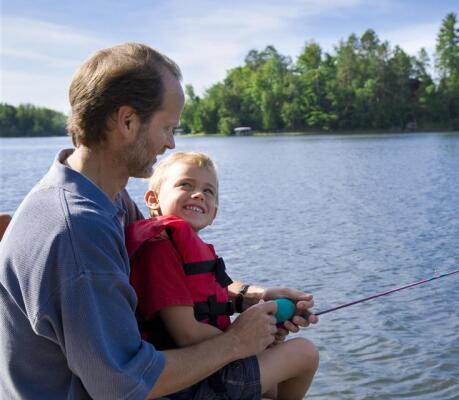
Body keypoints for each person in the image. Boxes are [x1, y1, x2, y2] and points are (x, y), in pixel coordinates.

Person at [0, 42, 316, 399]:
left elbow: (171, 276)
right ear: (128, 122)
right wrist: (236, 342)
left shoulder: (104, 196)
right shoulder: (77, 232)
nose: (170, 143)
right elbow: (125, 385)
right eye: (167, 127)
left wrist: (248, 297)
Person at [127, 151, 319, 399]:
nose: (198, 194)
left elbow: (208, 299)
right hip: (187, 380)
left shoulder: (181, 248)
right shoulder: (159, 251)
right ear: (153, 199)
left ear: (214, 213)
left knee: (275, 382)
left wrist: (264, 320)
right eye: (185, 184)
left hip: (208, 365)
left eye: (209, 191)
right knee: (304, 353)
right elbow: (185, 333)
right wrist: (248, 340)